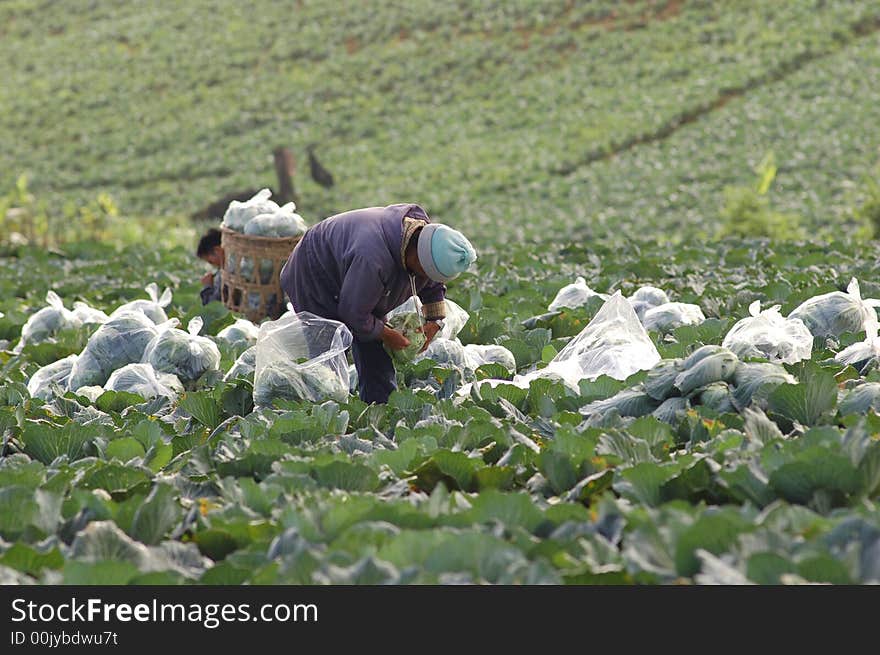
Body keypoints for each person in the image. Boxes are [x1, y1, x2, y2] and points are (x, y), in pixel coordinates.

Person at [280, 203, 477, 404]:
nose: (426, 279)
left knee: (375, 350)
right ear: (417, 257)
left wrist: (435, 321)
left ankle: (378, 408)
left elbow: (432, 284)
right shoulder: (372, 258)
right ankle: (322, 413)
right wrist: (388, 334)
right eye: (425, 273)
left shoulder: (427, 244)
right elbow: (354, 314)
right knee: (328, 352)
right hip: (314, 271)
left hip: (356, 272)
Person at [196, 228, 224, 305]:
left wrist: (207, 286)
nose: (212, 265)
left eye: (210, 261)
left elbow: (212, 307)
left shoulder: (226, 275)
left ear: (217, 251)